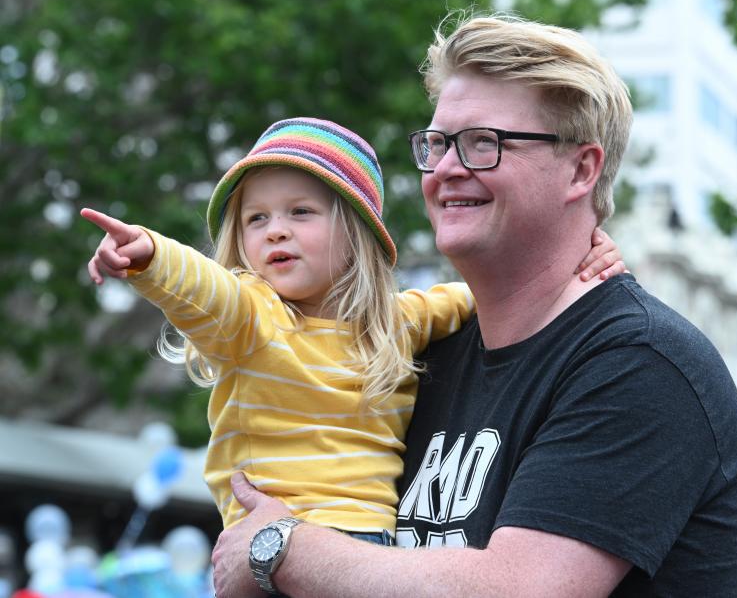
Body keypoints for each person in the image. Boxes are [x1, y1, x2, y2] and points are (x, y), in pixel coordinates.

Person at [210, 11, 737, 597]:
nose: (446, 169)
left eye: (483, 145)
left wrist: (281, 547)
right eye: (439, 144)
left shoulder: (642, 365)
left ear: (581, 169)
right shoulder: (425, 351)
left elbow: (522, 590)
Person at [82, 118, 623, 542]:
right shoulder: (252, 319)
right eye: (256, 218)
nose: (276, 231)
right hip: (279, 541)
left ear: (355, 232)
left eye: (300, 211)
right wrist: (149, 255)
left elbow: (491, 295)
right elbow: (204, 288)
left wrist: (580, 260)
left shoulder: (396, 323)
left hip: (371, 550)